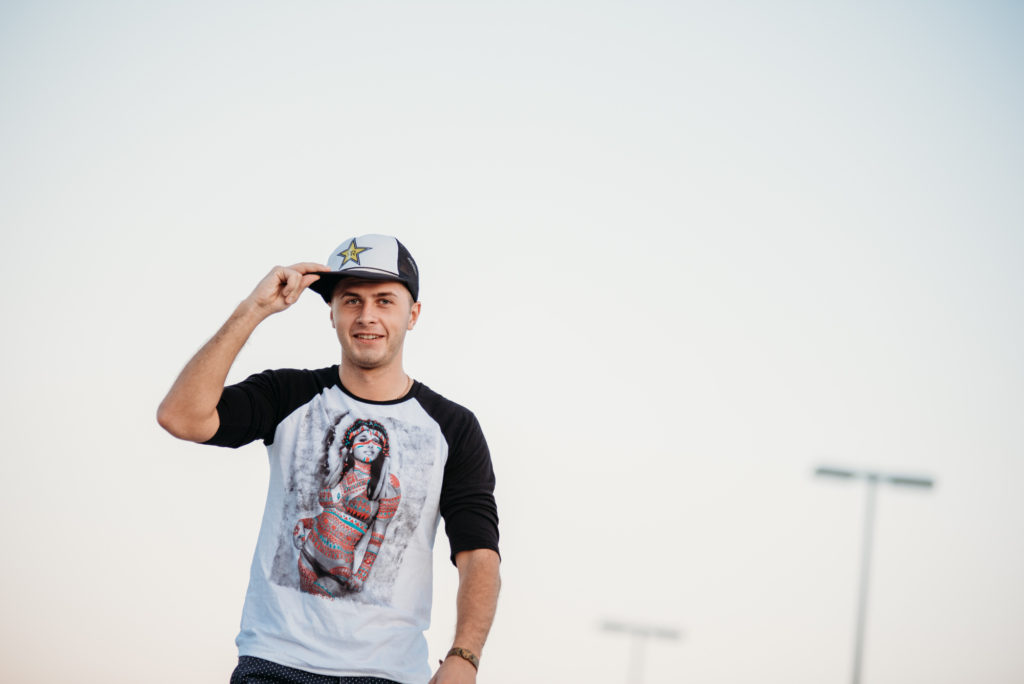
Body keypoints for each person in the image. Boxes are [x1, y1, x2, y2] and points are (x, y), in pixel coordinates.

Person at [157, 234, 500, 684]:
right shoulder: (288, 395)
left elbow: (478, 554)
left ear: (413, 314)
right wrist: (254, 309)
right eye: (351, 301)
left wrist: (465, 655)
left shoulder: (452, 427)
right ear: (332, 314)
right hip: (276, 665)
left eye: (384, 301)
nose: (367, 316)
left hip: (388, 673)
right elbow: (181, 416)